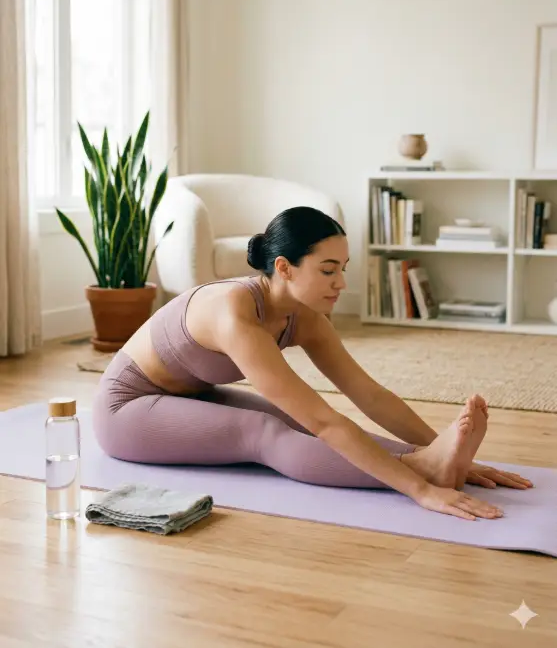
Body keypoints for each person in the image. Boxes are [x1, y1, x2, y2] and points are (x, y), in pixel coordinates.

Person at [92, 206, 532, 521]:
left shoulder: (306, 319)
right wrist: (418, 489)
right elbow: (327, 422)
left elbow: (370, 396)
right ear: (284, 267)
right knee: (263, 432)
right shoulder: (235, 313)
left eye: (343, 268)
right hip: (128, 411)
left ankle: (431, 460)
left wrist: (442, 448)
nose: (341, 283)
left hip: (188, 396)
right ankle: (424, 468)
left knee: (292, 421)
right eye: (327, 270)